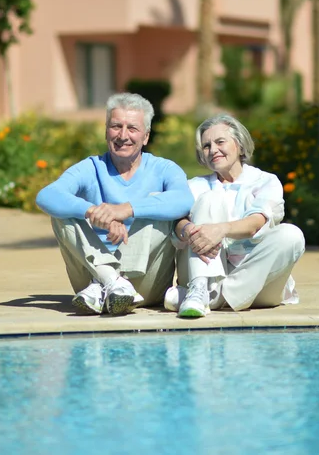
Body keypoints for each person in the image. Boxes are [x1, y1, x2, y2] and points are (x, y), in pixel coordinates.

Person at [36, 93, 194, 316]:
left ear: (146, 136)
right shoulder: (91, 167)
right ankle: (109, 280)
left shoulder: (164, 169)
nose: (123, 135)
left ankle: (114, 285)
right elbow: (47, 195)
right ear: (106, 132)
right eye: (116, 126)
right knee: (62, 212)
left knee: (161, 208)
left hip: (144, 284)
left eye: (132, 128)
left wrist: (126, 210)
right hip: (91, 279)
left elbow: (183, 200)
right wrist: (92, 212)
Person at [164, 114, 305, 318]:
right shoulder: (195, 186)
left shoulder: (265, 181)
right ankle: (201, 288)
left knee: (292, 235)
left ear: (239, 145)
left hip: (258, 284)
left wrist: (220, 230)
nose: (213, 150)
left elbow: (255, 223)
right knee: (210, 198)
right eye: (206, 146)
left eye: (220, 142)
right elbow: (176, 221)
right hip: (203, 276)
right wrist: (187, 229)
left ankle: (211, 298)